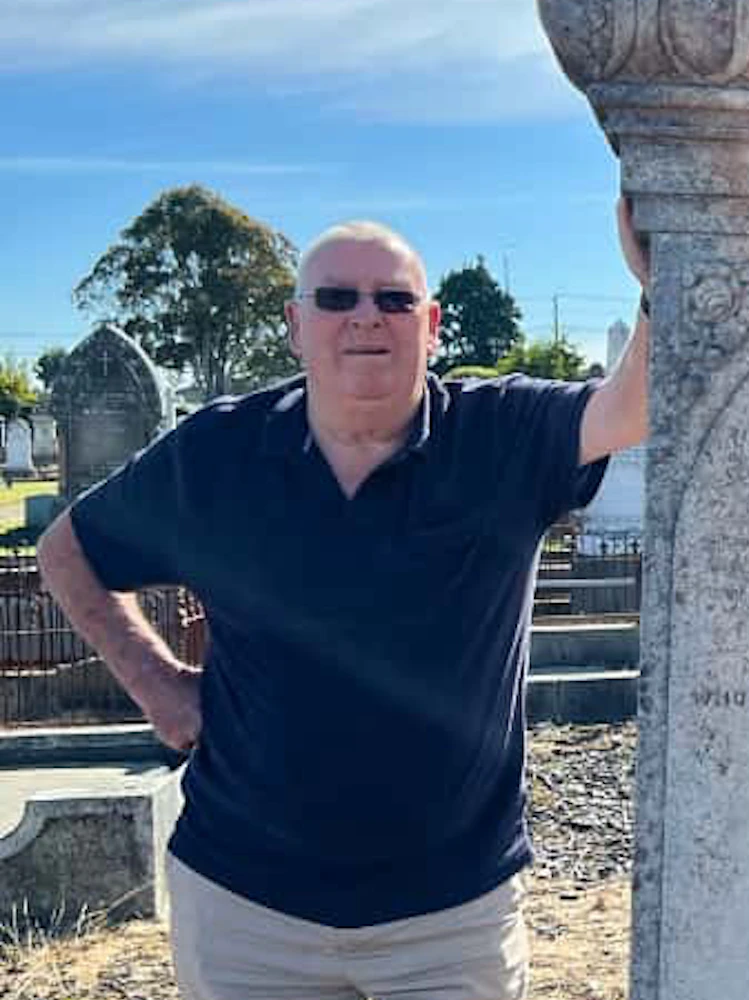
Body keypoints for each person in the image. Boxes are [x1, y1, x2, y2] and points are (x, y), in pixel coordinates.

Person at [35, 203, 654, 1000]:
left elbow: (628, 408)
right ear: (296, 326)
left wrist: (652, 285)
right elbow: (66, 550)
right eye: (337, 299)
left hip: (449, 915)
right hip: (246, 909)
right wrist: (158, 688)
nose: (368, 317)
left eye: (394, 300)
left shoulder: (500, 435)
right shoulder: (221, 454)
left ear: (432, 326)